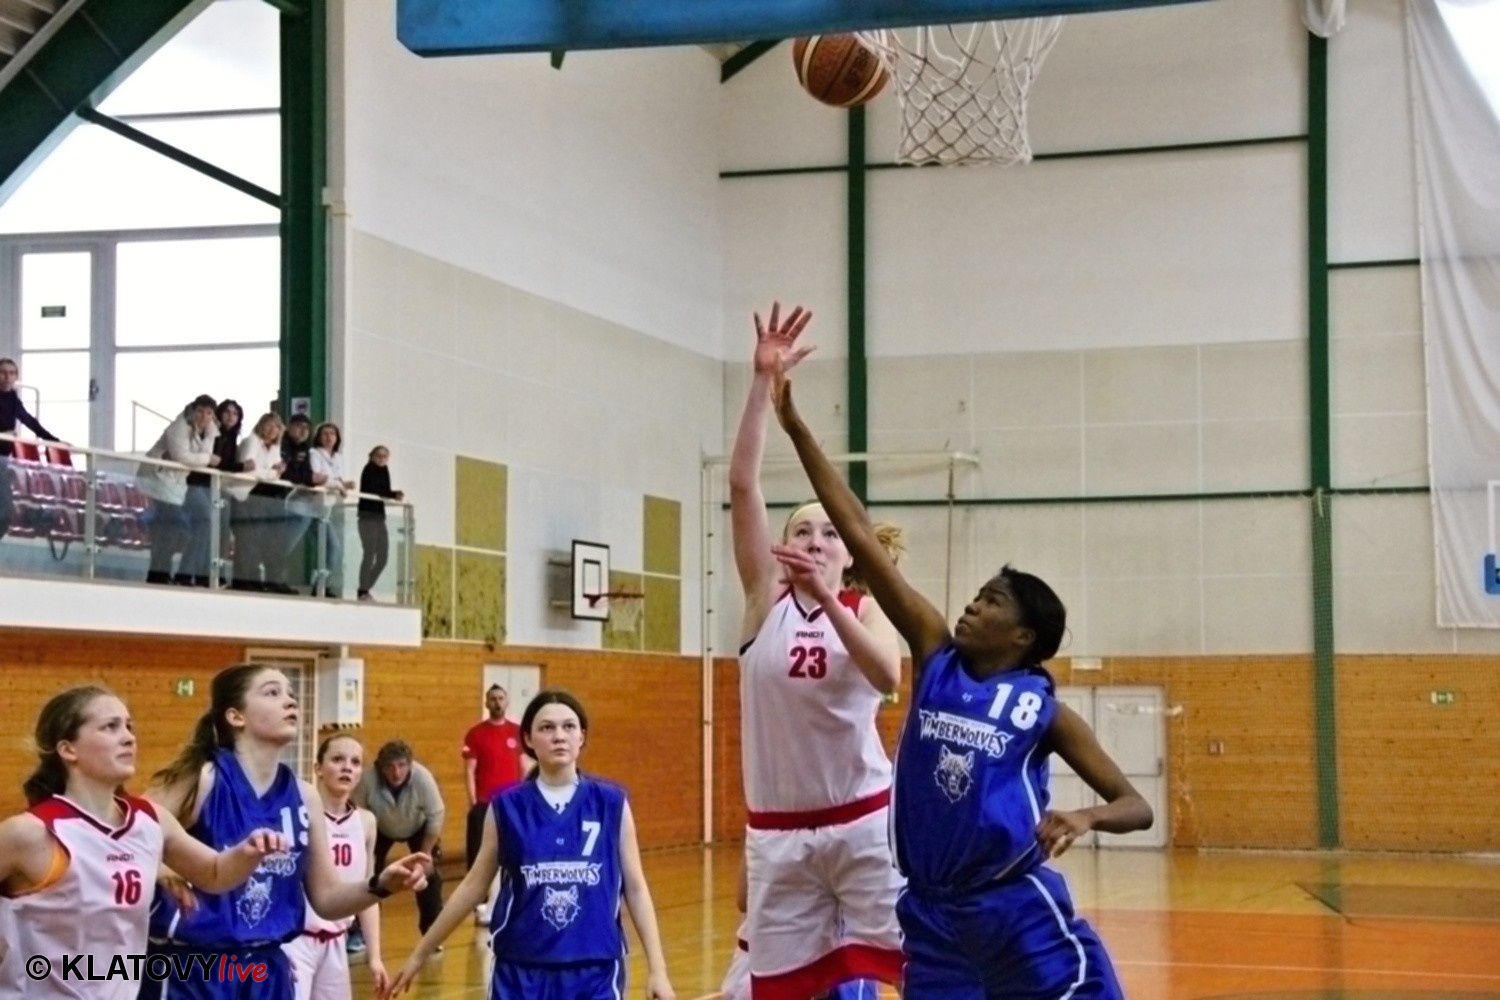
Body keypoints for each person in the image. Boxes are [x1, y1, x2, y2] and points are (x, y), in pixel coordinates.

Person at [771, 317, 1155, 999]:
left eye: (992, 601)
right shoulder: (934, 654)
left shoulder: (1043, 712)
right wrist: (796, 427)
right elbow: (859, 531)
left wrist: (1086, 818)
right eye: (977, 595)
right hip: (930, 911)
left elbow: (1136, 805)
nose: (973, 606)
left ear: (1024, 636)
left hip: (1012, 907)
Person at [729, 303, 905, 997]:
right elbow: (743, 485)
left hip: (862, 820)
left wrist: (830, 600)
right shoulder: (761, 602)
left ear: (851, 552)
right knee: (778, 987)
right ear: (782, 546)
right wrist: (760, 383)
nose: (814, 540)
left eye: (831, 532)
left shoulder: (866, 607)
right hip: (778, 832)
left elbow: (888, 677)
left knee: (915, 968)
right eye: (801, 530)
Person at [142, 664, 430, 999]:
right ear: (236, 716)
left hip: (267, 969)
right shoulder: (202, 779)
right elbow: (122, 836)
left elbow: (327, 899)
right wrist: (160, 869)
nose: (290, 701)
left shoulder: (304, 796)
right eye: (272, 692)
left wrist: (381, 885)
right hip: (195, 968)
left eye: (291, 694)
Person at [0, 685, 288, 999]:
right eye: (110, 727)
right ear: (68, 750)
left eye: (129, 727)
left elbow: (215, 874)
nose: (128, 737)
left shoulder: (150, 821)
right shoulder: (30, 833)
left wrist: (248, 852)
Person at [382, 691, 675, 1000]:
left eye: (569, 726)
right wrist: (420, 953)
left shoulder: (611, 803)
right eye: (547, 727)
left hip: (594, 971)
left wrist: (658, 969)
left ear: (581, 737)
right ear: (528, 739)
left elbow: (636, 888)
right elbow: (472, 887)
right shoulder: (505, 807)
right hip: (520, 972)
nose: (559, 736)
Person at [283, 735, 389, 999]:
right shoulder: (297, 815)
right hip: (295, 941)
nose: (347, 767)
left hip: (336, 941)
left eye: (355, 762)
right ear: (318, 768)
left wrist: (375, 956)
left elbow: (369, 895)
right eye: (338, 759)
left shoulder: (366, 822)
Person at [354, 740, 445, 938]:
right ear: (380, 768)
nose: (396, 773)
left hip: (418, 825)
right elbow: (357, 815)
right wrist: (364, 852)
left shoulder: (423, 779)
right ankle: (362, 930)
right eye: (390, 766)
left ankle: (431, 930)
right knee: (366, 875)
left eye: (402, 765)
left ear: (410, 765)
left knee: (427, 873)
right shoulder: (367, 780)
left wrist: (425, 854)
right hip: (380, 826)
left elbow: (436, 815)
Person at [137, 394, 220, 586]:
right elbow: (183, 457)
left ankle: (184, 573)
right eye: (200, 411)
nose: (203, 416)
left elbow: (202, 455)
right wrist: (208, 459)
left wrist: (210, 437)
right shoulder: (179, 427)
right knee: (170, 527)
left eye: (208, 413)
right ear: (193, 410)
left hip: (177, 484)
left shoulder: (206, 431)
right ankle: (158, 574)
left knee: (204, 520)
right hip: (160, 480)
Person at [462, 684, 528, 923]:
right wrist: (474, 801)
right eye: (493, 699)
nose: (497, 702)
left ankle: (509, 898)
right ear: (486, 703)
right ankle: (479, 900)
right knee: (481, 853)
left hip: (511, 804)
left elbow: (523, 767)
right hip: (485, 803)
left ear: (506, 702)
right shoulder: (475, 734)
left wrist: (524, 797)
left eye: (501, 698)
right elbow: (470, 770)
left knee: (512, 852)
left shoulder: (517, 732)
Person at [231, 413, 292, 592]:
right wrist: (271, 473)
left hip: (259, 497)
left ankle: (254, 578)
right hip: (241, 495)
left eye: (277, 427)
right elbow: (249, 469)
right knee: (246, 539)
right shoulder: (252, 441)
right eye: (269, 425)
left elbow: (275, 474)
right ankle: (242, 579)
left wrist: (271, 473)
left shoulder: (274, 448)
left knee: (257, 540)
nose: (273, 429)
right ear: (261, 425)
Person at [0, 357, 58, 542]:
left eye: (11, 373)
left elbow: (29, 421)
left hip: (4, 459)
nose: (7, 377)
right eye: (3, 373)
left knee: (5, 512)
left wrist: (54, 441)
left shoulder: (13, 398)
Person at [308, 422, 354, 599]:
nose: (329, 437)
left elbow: (336, 478)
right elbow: (319, 477)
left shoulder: (338, 458)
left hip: (328, 508)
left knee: (333, 547)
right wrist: (337, 484)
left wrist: (343, 484)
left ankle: (322, 585)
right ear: (319, 437)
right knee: (332, 546)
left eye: (332, 434)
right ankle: (319, 586)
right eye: (325, 434)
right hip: (313, 506)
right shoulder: (314, 453)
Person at [356, 445, 403, 601]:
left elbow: (384, 490)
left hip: (379, 517)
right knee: (369, 553)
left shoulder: (385, 470)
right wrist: (392, 494)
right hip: (367, 516)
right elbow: (373, 489)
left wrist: (394, 494)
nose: (382, 459)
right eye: (379, 455)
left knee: (383, 558)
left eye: (385, 456)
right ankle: (363, 590)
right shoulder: (368, 469)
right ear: (372, 456)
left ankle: (365, 587)